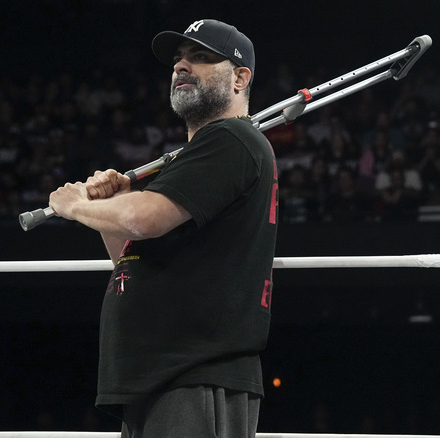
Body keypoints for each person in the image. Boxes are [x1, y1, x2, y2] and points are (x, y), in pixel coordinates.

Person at [48, 19, 278, 438]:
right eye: (178, 60)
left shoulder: (230, 139)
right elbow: (131, 255)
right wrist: (108, 206)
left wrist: (76, 207)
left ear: (240, 77)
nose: (182, 66)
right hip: (162, 375)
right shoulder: (203, 154)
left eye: (202, 58)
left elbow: (144, 219)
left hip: (194, 372)